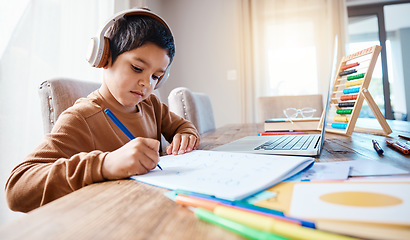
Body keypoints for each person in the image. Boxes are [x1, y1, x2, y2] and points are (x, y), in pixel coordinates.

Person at [5, 9, 200, 213]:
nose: (146, 84)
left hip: (153, 208)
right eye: (136, 68)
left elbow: (181, 125)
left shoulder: (151, 105)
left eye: (156, 76)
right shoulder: (81, 118)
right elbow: (16, 189)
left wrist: (186, 134)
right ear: (104, 57)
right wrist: (105, 164)